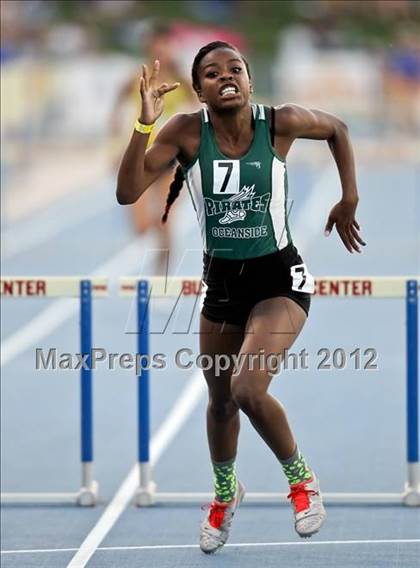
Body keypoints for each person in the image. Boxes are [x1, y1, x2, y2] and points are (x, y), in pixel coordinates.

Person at [116, 41, 366, 554]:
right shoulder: (186, 132)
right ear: (200, 88)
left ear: (250, 81)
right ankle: (226, 494)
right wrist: (144, 125)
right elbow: (127, 191)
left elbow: (338, 129)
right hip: (223, 282)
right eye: (211, 72)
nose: (225, 76)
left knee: (249, 387)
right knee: (221, 403)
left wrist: (349, 197)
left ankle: (302, 482)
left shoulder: (280, 123)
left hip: (278, 279)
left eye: (235, 69)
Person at [110, 23, 195, 273]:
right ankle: (159, 249)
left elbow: (199, 112)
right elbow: (118, 104)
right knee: (142, 225)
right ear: (149, 47)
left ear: (172, 48)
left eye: (165, 46)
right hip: (141, 157)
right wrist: (116, 145)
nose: (161, 51)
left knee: (166, 220)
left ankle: (163, 271)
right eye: (156, 46)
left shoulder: (182, 81)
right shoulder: (137, 78)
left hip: (171, 157)